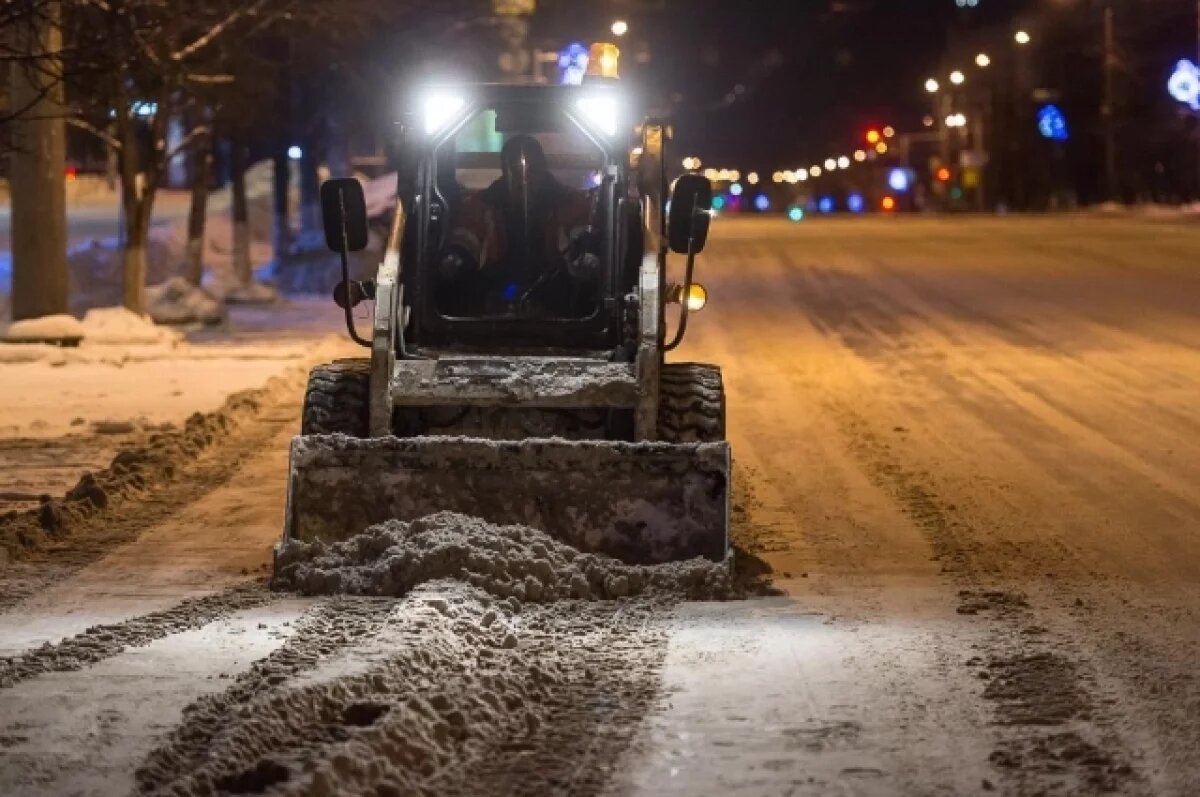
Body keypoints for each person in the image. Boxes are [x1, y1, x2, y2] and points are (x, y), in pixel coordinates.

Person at [439, 135, 599, 317]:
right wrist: (456, 256)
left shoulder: (568, 201)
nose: (525, 179)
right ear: (505, 172)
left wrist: (586, 256)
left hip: (553, 289)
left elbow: (582, 232)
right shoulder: (484, 203)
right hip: (505, 288)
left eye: (533, 171)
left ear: (543, 170)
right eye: (516, 171)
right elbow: (467, 236)